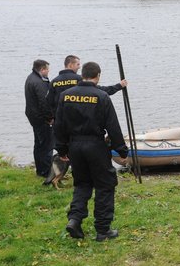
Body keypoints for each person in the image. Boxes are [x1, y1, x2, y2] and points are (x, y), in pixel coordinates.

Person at [54, 62, 129, 242]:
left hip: (75, 147)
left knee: (82, 184)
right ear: (98, 76)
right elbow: (113, 127)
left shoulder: (65, 96)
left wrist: (62, 149)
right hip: (95, 145)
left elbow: (59, 125)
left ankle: (75, 220)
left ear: (82, 75)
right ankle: (103, 230)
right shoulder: (101, 96)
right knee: (104, 185)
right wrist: (121, 150)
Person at [46, 55, 127, 116]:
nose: (79, 67)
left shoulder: (54, 82)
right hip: (79, 117)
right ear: (70, 65)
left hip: (60, 119)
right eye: (78, 64)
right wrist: (119, 86)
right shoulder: (79, 79)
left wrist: (50, 118)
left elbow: (48, 102)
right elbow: (99, 91)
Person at [24, 59, 53, 178]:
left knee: (39, 144)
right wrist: (49, 117)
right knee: (47, 145)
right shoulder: (39, 82)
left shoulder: (30, 78)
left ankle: (40, 170)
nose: (48, 72)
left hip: (33, 116)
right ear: (42, 69)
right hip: (41, 118)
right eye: (47, 69)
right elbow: (44, 102)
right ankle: (46, 172)